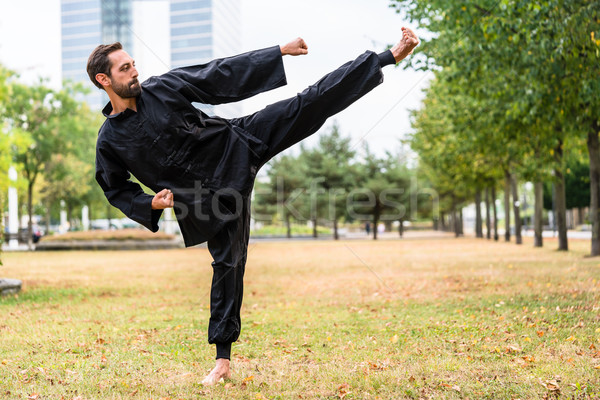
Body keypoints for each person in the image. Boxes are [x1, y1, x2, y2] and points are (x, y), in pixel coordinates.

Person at [88, 27, 418, 385]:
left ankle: (389, 56)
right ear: (104, 79)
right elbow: (114, 187)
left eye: (133, 64)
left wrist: (279, 52)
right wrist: (149, 202)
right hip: (206, 199)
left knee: (306, 104)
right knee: (228, 265)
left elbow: (219, 73)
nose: (134, 71)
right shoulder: (110, 141)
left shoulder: (163, 88)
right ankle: (222, 362)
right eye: (124, 69)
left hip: (236, 144)